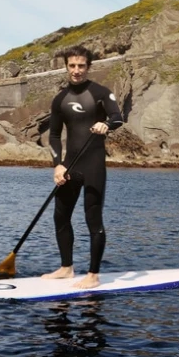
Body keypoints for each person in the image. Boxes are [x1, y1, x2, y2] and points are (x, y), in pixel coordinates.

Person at [43, 45, 124, 289]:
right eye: (72, 66)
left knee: (93, 219)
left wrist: (106, 125)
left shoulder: (100, 92)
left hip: (94, 166)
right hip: (70, 167)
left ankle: (93, 274)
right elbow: (54, 135)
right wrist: (58, 166)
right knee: (60, 217)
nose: (76, 71)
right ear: (66, 67)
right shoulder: (60, 99)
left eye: (81, 66)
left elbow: (117, 117)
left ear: (88, 67)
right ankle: (66, 268)